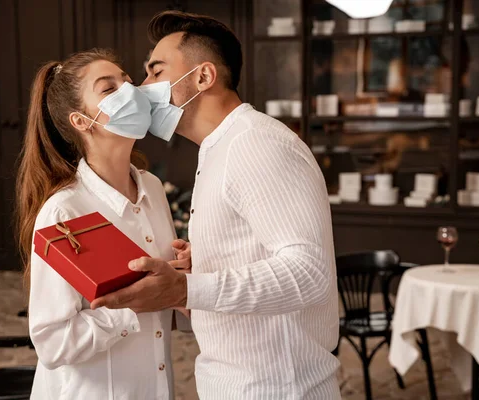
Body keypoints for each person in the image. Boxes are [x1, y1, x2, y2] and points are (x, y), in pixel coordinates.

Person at [91, 11, 341, 399]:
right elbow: (265, 251)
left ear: (203, 77)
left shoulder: (255, 143)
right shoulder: (219, 147)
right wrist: (209, 261)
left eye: (156, 72)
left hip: (278, 387)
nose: (142, 87)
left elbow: (308, 272)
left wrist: (186, 289)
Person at [15, 48, 188, 400]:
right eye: (109, 89)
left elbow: (169, 301)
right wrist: (130, 305)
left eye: (127, 80)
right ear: (81, 121)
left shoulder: (152, 188)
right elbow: (52, 342)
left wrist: (182, 278)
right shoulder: (64, 212)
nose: (131, 92)